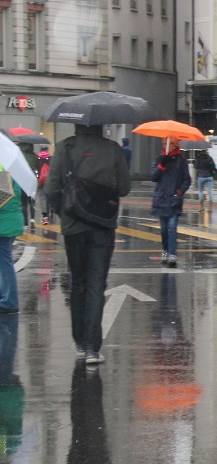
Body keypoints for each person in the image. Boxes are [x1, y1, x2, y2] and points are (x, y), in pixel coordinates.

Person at [44, 124, 131, 365]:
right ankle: (93, 347)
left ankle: (80, 342)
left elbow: (50, 188)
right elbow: (124, 188)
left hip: (73, 226)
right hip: (103, 224)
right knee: (96, 283)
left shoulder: (65, 147)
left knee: (78, 281)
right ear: (101, 126)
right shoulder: (112, 149)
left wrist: (66, 213)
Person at [150, 137, 191, 268]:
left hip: (174, 200)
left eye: (170, 143)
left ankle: (172, 254)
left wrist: (179, 192)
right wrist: (161, 165)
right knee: (163, 229)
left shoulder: (181, 161)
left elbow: (187, 179)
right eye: (164, 143)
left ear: (176, 145)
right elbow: (153, 177)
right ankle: (165, 250)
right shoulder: (159, 159)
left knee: (172, 227)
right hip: (161, 198)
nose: (166, 146)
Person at [0, 168, 23, 314]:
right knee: (4, 261)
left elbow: (3, 200)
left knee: (5, 262)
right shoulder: (14, 172)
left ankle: (9, 300)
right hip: (10, 221)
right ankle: (6, 297)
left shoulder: (3, 175)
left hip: (4, 224)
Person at [36, 151, 51, 224]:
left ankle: (45, 217)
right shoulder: (50, 159)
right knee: (49, 197)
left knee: (42, 198)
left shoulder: (38, 159)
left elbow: (36, 169)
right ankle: (50, 210)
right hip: (49, 181)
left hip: (41, 181)